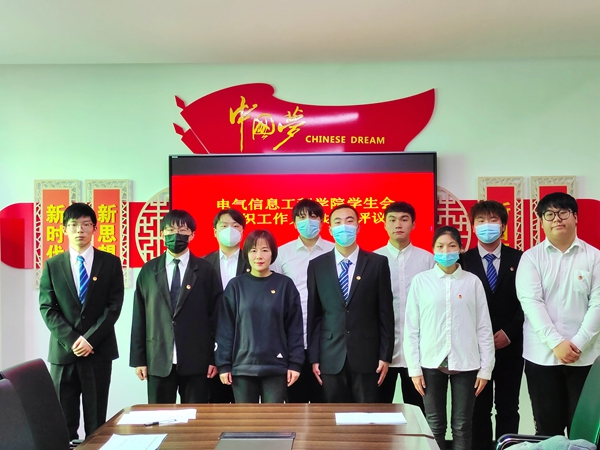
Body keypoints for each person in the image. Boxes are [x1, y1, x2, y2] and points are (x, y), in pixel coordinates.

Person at [515, 192, 600, 436]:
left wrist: (578, 343)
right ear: (541, 221)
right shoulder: (531, 258)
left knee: (584, 431)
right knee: (547, 431)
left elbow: (598, 304)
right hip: (542, 356)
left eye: (563, 212)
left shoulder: (595, 257)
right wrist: (556, 343)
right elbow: (531, 302)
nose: (557, 219)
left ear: (575, 217)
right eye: (549, 214)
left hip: (585, 357)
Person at [404, 226, 495, 450]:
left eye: (452, 246)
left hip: (466, 362)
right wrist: (414, 369)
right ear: (433, 249)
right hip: (430, 362)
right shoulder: (421, 281)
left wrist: (486, 369)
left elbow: (483, 327)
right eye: (440, 246)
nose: (446, 251)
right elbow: (412, 328)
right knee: (434, 424)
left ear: (461, 249)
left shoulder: (472, 282)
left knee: (462, 425)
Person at [39, 202, 124, 441]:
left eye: (86, 224)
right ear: (64, 229)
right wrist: (73, 340)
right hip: (64, 353)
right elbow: (47, 308)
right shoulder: (53, 265)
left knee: (96, 421)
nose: (80, 230)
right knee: (63, 421)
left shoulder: (110, 263)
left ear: (95, 228)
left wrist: (90, 340)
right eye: (74, 225)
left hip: (98, 352)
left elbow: (113, 307)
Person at [130, 209, 222, 404]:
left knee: (196, 418)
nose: (176, 235)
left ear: (192, 235)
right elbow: (140, 317)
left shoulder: (205, 270)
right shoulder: (149, 270)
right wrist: (139, 359)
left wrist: (214, 358)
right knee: (159, 418)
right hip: (158, 359)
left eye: (182, 230)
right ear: (161, 234)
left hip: (197, 361)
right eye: (170, 230)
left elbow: (216, 316)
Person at [307, 204, 394, 403]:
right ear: (330, 230)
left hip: (368, 356)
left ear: (358, 226)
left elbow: (385, 313)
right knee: (333, 416)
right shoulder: (317, 265)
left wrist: (385, 355)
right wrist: (314, 357)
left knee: (367, 415)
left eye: (349, 221)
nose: (344, 226)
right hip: (330, 356)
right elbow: (315, 315)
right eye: (338, 222)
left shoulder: (377, 263)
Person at [461, 200, 524, 450]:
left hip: (511, 346)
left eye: (493, 220)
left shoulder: (520, 258)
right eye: (481, 221)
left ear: (504, 226)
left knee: (508, 407)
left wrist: (509, 332)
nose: (487, 225)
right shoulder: (463, 261)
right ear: (473, 226)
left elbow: (528, 301)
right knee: (478, 408)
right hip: (475, 350)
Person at [216, 229, 304, 403]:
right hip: (242, 368)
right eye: (253, 250)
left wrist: (295, 363)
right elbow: (225, 328)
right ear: (247, 254)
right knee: (246, 419)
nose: (259, 256)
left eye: (265, 250)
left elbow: (295, 328)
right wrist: (224, 364)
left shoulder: (285, 285)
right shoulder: (236, 286)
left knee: (272, 418)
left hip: (277, 367)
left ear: (273, 253)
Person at [271, 199, 334, 403]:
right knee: (294, 404)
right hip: (291, 339)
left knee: (324, 404)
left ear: (322, 222)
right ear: (294, 223)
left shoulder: (334, 251)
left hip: (326, 339)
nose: (308, 222)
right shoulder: (281, 253)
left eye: (313, 217)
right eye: (302, 217)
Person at [374, 201, 432, 409]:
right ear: (384, 224)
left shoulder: (428, 260)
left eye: (404, 219)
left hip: (418, 352)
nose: (398, 224)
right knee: (378, 412)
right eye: (392, 220)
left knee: (419, 411)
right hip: (381, 353)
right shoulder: (373, 259)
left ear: (413, 224)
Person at [203, 208, 250, 403]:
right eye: (224, 226)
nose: (230, 230)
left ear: (242, 231)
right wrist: (210, 357)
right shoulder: (203, 265)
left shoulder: (254, 262)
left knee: (245, 410)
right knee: (215, 408)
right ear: (215, 231)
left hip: (247, 348)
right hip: (212, 349)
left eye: (235, 226)